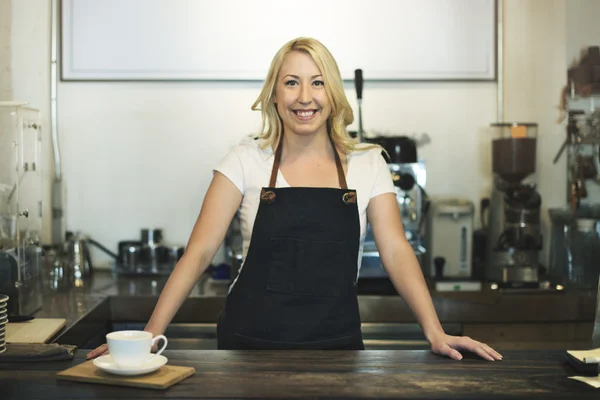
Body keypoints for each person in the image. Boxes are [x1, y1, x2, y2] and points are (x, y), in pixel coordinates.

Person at [88, 37, 502, 360]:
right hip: (246, 348)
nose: (305, 97)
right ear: (274, 94)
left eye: (317, 82)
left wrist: (433, 330)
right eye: (292, 82)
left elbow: (396, 250)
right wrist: (148, 335)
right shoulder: (245, 160)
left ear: (333, 93)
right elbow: (196, 255)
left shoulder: (367, 162)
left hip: (337, 348)